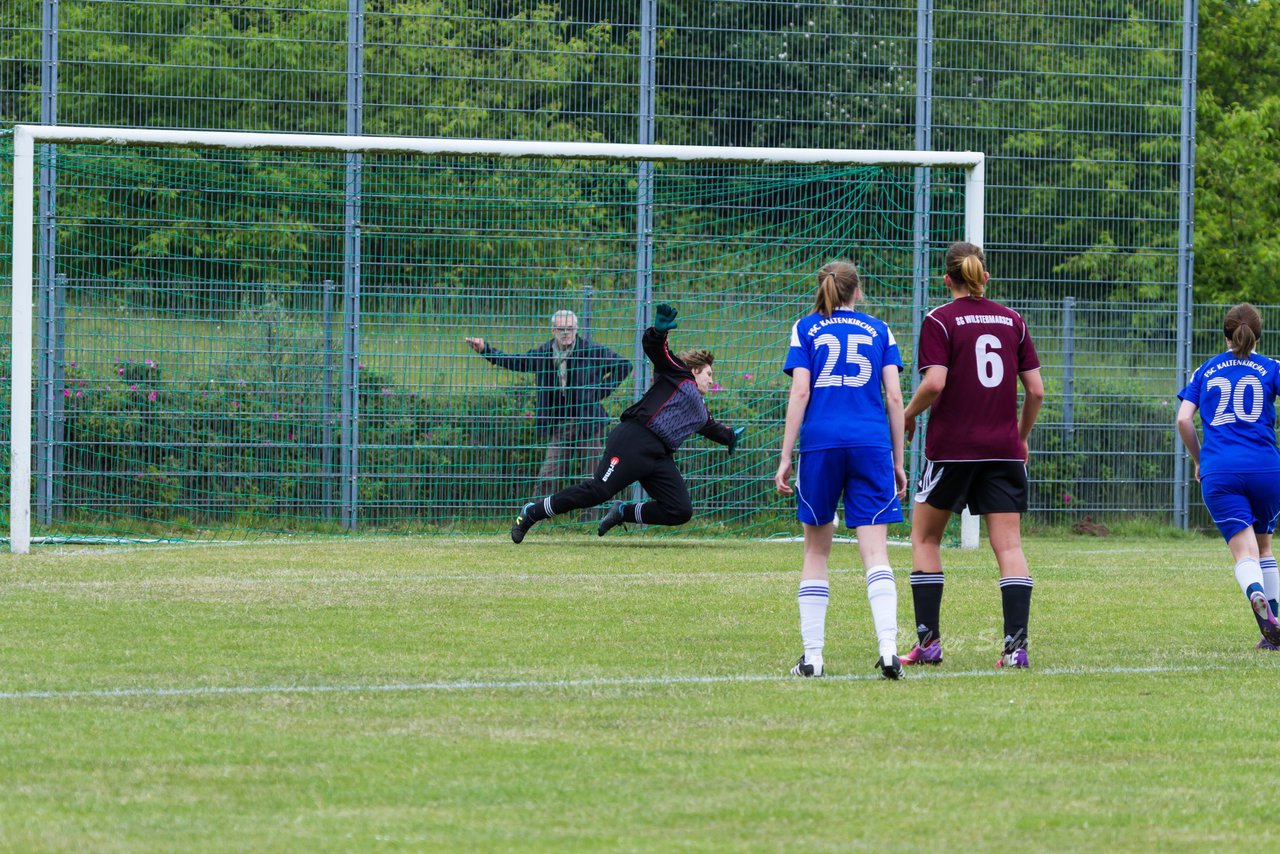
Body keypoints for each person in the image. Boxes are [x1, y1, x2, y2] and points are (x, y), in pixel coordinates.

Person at [900, 242, 1045, 669]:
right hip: (1003, 451)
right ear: (984, 276)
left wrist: (907, 415)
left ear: (947, 280)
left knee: (925, 538)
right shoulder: (1012, 320)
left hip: (953, 449)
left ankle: (928, 644)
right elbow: (1036, 390)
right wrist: (1020, 437)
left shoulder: (939, 320)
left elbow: (935, 383)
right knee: (1009, 546)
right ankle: (1016, 650)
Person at [509, 303, 745, 542]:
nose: (712, 380)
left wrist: (731, 437)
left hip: (659, 457)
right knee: (598, 491)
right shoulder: (678, 375)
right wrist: (658, 332)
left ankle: (624, 511)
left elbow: (715, 429)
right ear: (694, 371)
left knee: (680, 510)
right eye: (709, 374)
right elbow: (656, 350)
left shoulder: (701, 412)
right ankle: (533, 511)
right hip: (634, 439)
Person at [775, 260, 908, 680]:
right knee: (876, 553)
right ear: (858, 291)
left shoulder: (805, 327)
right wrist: (899, 459)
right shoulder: (880, 329)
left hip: (822, 443)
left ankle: (812, 658)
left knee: (816, 551)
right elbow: (894, 397)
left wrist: (785, 455)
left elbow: (800, 391)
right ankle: (889, 650)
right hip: (870, 444)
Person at [1176, 303, 1280, 650]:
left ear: (1225, 334)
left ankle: (1254, 593)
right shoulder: (1271, 367)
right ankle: (1274, 634)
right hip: (1266, 468)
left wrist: (1199, 459)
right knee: (1264, 546)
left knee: (1243, 552)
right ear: (1258, 334)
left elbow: (1183, 419)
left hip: (1220, 469)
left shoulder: (1205, 370)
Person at [465, 309, 631, 497]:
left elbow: (624, 365)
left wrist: (598, 392)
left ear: (576, 330)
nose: (566, 333)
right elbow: (515, 361)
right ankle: (535, 517)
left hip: (589, 422)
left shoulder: (591, 351)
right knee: (548, 476)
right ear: (553, 330)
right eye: (561, 328)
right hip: (560, 424)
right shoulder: (544, 354)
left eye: (570, 328)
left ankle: (590, 522)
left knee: (591, 478)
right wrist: (486, 350)